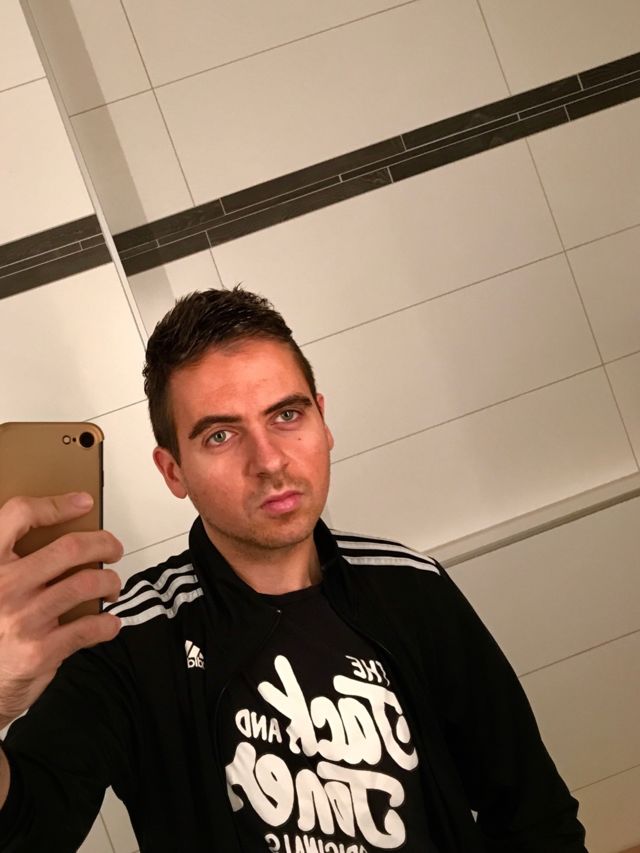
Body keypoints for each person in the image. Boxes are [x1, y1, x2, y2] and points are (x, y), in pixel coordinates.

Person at [0, 286, 587, 852]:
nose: (269, 461)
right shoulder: (128, 640)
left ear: (322, 422)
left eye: (285, 415)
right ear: (173, 471)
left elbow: (534, 815)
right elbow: (24, 829)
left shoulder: (410, 585)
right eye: (220, 435)